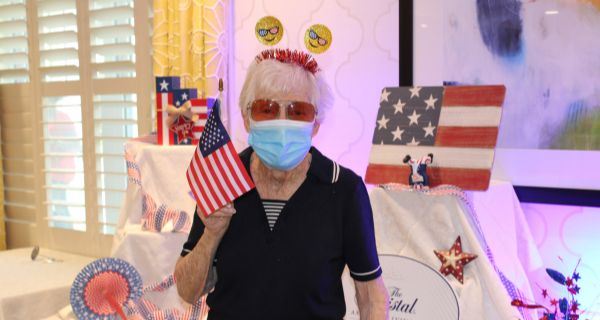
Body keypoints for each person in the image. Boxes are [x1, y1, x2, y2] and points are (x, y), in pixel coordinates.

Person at [175, 48, 389, 319]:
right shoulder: (223, 177)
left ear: (316, 124)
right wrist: (211, 235)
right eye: (267, 109)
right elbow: (187, 291)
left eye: (298, 111)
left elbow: (371, 295)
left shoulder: (344, 189)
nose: (282, 122)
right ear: (247, 118)